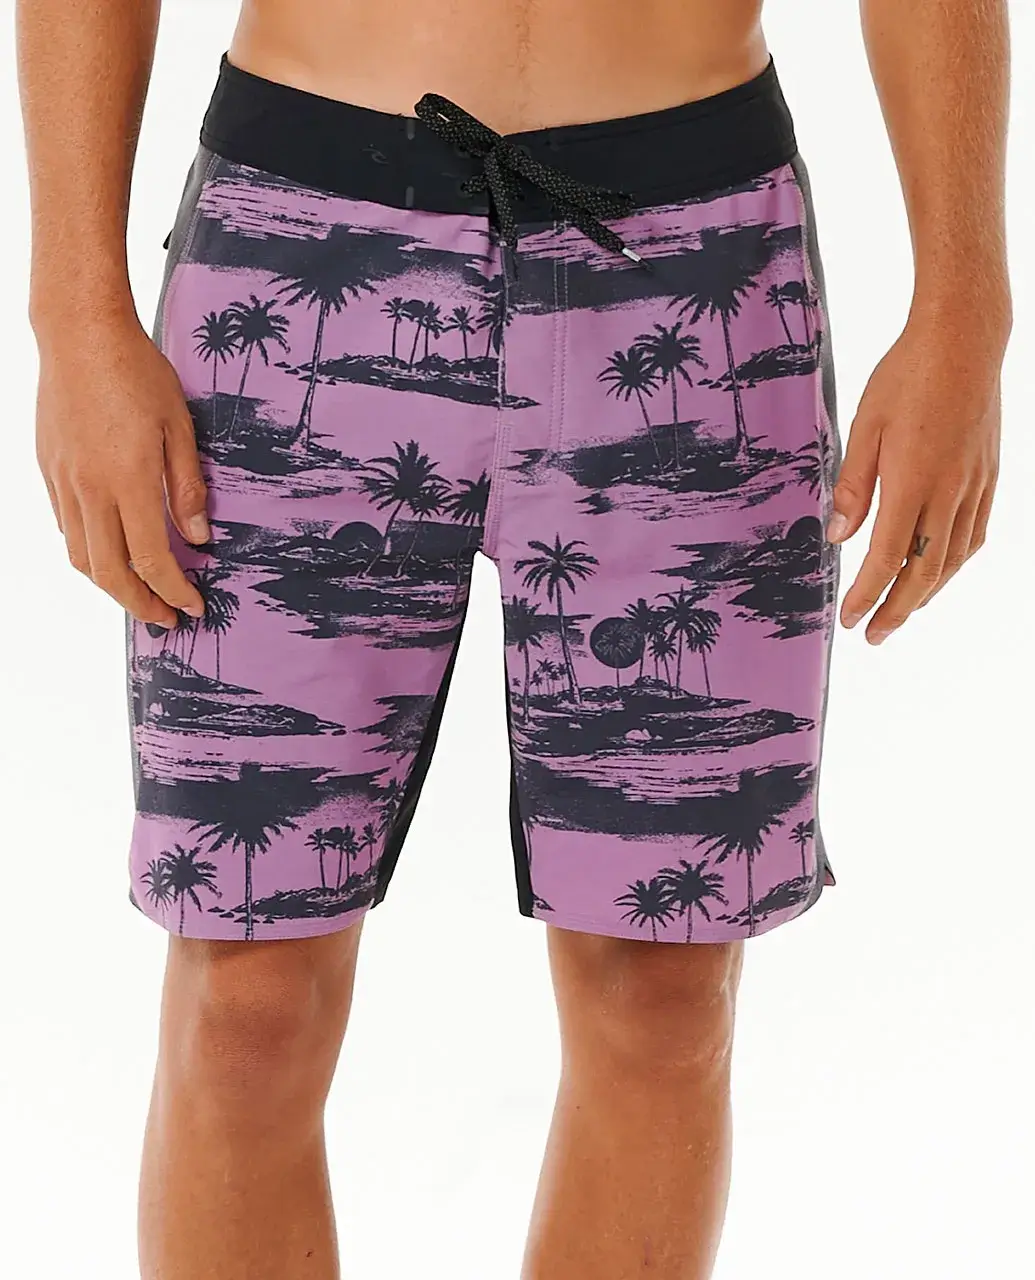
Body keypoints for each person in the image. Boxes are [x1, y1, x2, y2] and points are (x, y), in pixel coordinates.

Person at [17, 1, 1010, 1276]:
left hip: (692, 251)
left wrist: (967, 308)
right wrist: (75, 312)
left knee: (661, 992)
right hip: (301, 238)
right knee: (244, 994)